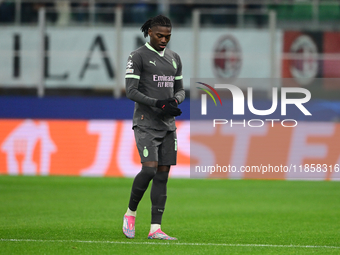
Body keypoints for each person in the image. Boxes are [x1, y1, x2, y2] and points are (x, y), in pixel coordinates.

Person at [123, 15, 185, 240]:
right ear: (149, 32)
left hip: (167, 125)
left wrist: (175, 101)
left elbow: (180, 89)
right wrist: (158, 103)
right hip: (146, 122)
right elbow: (131, 91)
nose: (164, 40)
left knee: (162, 174)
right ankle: (130, 213)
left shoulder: (174, 58)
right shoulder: (137, 56)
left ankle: (155, 229)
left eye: (168, 36)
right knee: (149, 169)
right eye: (160, 35)